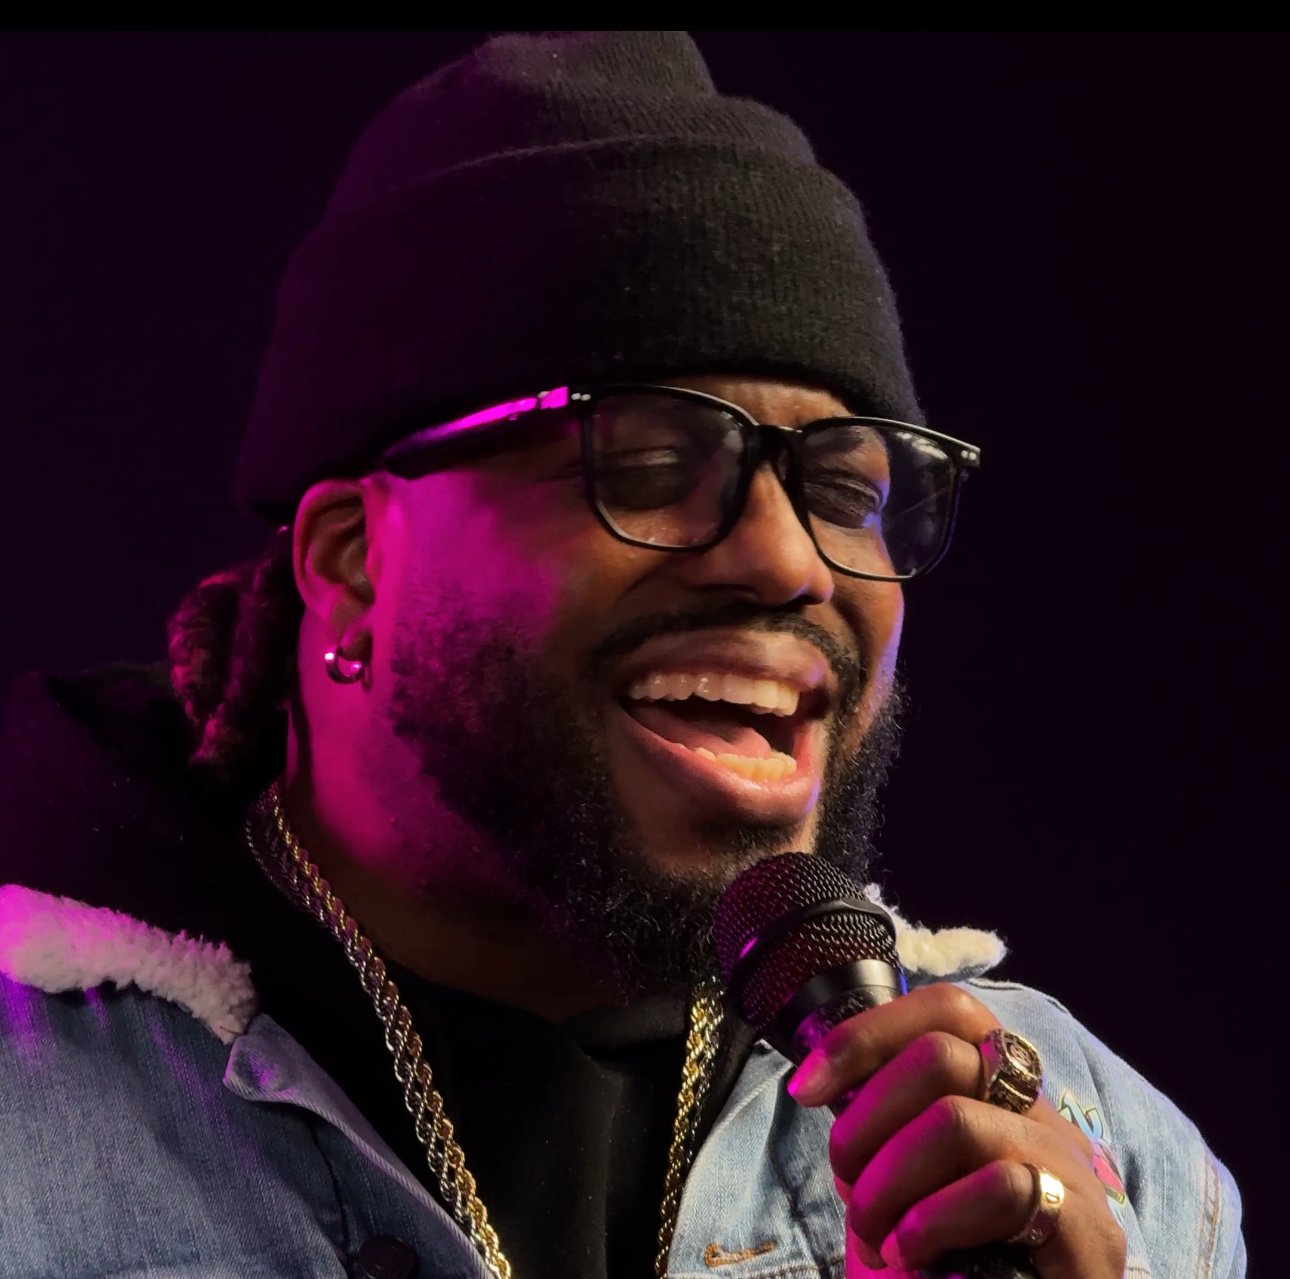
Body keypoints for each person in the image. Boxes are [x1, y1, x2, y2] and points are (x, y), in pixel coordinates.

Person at [0, 30, 1241, 1279]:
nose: (791, 563)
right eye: (648, 465)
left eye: (847, 491)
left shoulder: (1097, 1159)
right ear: (351, 564)